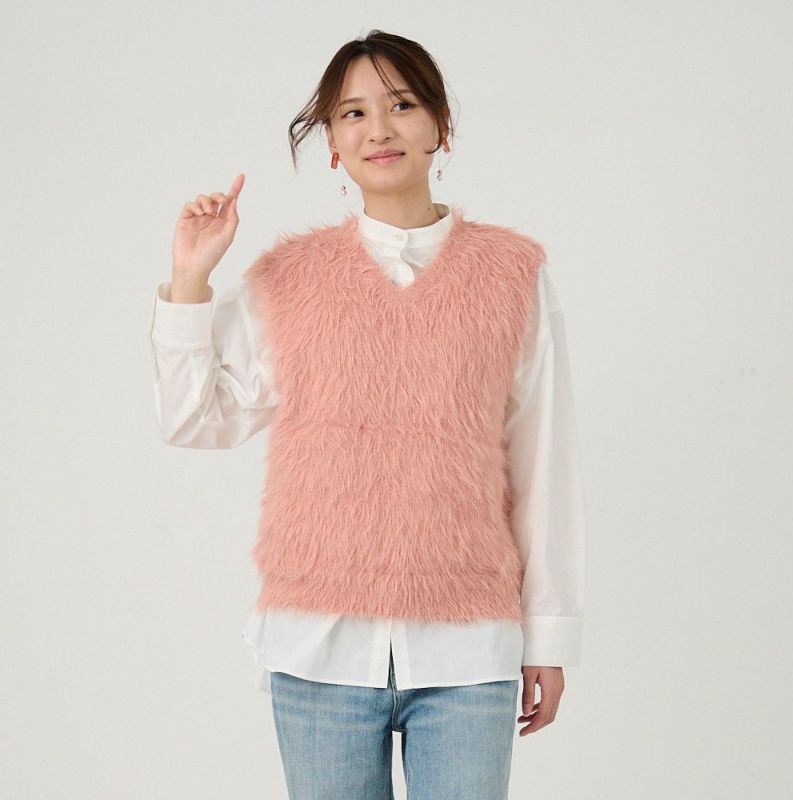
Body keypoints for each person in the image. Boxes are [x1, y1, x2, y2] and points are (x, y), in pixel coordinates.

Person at [148, 29, 587, 800]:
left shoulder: (513, 273)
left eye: (402, 104)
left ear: (442, 126)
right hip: (318, 647)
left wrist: (547, 634)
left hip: (468, 647)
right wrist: (190, 279)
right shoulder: (289, 280)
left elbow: (542, 459)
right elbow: (195, 419)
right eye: (352, 113)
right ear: (331, 144)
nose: (378, 129)